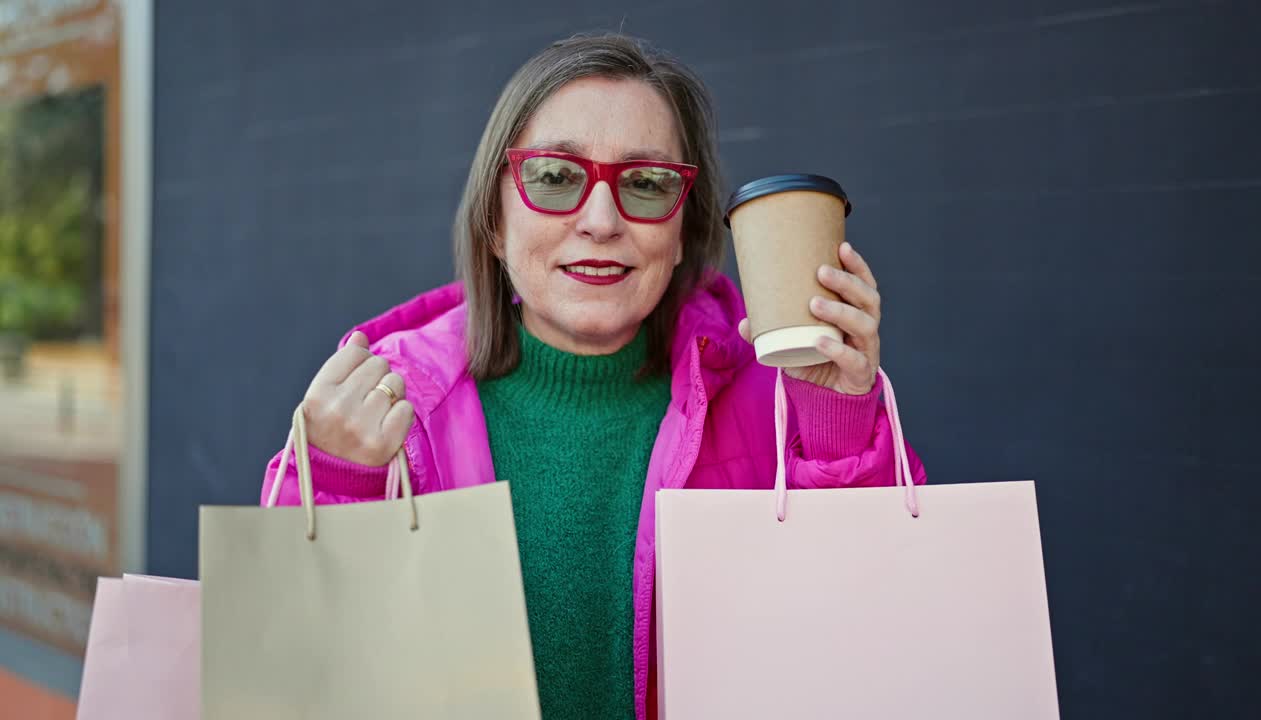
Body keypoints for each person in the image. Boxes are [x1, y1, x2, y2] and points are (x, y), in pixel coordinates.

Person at [263, 32, 925, 720]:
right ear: (494, 220)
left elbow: (868, 642)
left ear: (681, 232)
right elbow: (299, 670)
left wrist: (839, 419)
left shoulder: (780, 403)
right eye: (555, 177)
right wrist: (338, 480)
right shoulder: (387, 409)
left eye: (645, 184)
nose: (602, 221)